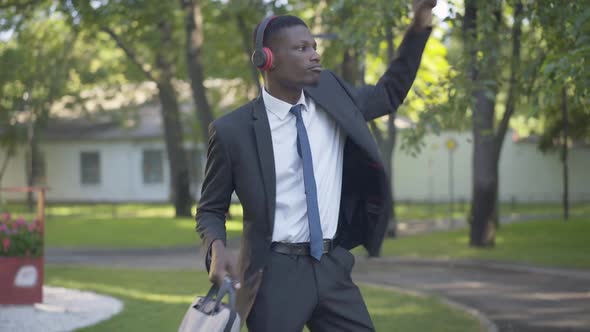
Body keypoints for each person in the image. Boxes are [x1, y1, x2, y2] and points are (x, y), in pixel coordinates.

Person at [196, 1, 436, 330]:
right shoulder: (232, 131)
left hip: (331, 265)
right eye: (301, 48)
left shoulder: (334, 95)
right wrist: (216, 248)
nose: (315, 55)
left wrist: (420, 22)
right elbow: (210, 208)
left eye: (314, 46)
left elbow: (389, 92)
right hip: (273, 276)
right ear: (267, 59)